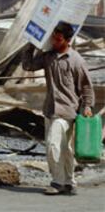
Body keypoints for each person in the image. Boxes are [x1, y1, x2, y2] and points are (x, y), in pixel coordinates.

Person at [22, 21, 95, 196]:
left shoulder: (76, 60)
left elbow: (86, 86)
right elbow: (28, 66)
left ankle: (57, 182)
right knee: (65, 148)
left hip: (68, 111)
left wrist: (87, 106)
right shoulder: (48, 57)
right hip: (51, 109)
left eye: (58, 39)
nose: (54, 41)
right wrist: (31, 45)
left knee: (53, 145)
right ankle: (69, 181)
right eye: (53, 38)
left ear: (67, 40)